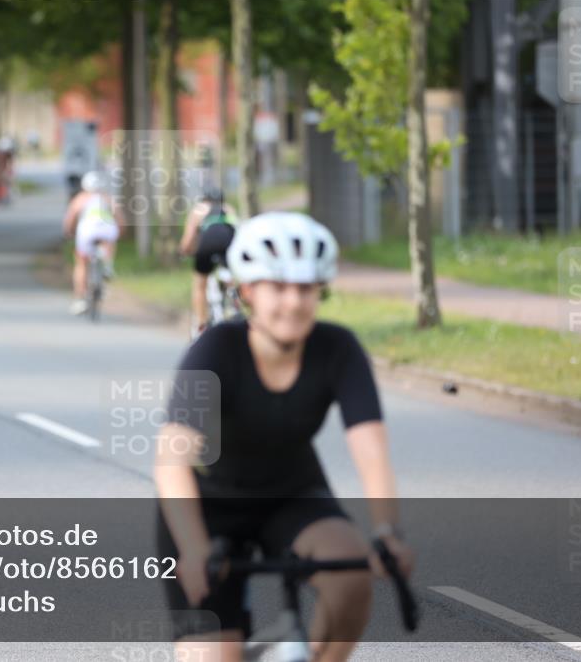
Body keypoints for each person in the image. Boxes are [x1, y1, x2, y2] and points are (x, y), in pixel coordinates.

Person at [154, 213, 413, 662]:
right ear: (248, 291)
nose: (293, 302)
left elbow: (371, 450)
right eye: (278, 287)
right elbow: (170, 461)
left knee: (351, 577)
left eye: (306, 289)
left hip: (292, 495)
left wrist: (388, 531)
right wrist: (194, 549)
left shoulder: (339, 349)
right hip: (206, 508)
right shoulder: (215, 349)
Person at [178, 187, 240, 337]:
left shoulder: (199, 209)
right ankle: (234, 302)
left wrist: (184, 251)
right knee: (231, 276)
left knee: (200, 284)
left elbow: (188, 239)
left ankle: (202, 324)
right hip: (229, 242)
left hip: (208, 242)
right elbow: (238, 229)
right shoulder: (229, 209)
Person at [62, 170, 124, 315]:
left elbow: (70, 220)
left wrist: (68, 233)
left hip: (87, 231)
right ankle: (108, 266)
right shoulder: (108, 198)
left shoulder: (80, 198)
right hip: (107, 229)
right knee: (108, 242)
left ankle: (80, 299)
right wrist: (120, 234)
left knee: (81, 262)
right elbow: (120, 219)